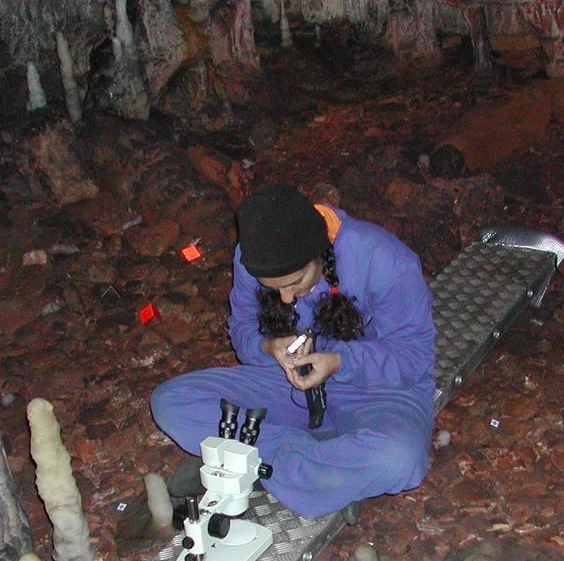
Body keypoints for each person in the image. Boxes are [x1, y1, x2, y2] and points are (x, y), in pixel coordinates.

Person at [150, 183, 435, 519]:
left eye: (295, 282)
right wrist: (267, 347)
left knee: (399, 458)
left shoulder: (384, 260)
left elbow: (412, 357)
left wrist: (340, 362)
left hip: (374, 391)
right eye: (274, 288)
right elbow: (242, 326)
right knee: (170, 402)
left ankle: (263, 464)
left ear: (321, 252)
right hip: (286, 384)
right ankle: (320, 470)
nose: (286, 298)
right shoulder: (252, 255)